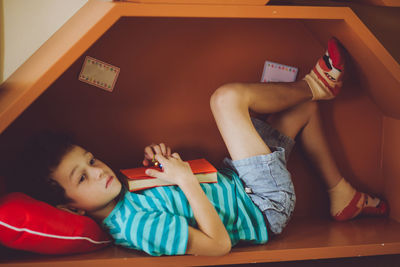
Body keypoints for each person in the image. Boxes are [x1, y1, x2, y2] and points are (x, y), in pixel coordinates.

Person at [14, 38, 388, 257]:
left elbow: (176, 193)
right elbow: (218, 245)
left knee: (301, 110)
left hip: (238, 181)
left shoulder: (122, 193)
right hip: (261, 205)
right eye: (83, 177)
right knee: (225, 99)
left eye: (91, 160)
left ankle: (342, 194)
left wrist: (163, 165)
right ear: (69, 206)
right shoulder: (135, 227)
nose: (98, 170)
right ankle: (318, 84)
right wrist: (186, 181)